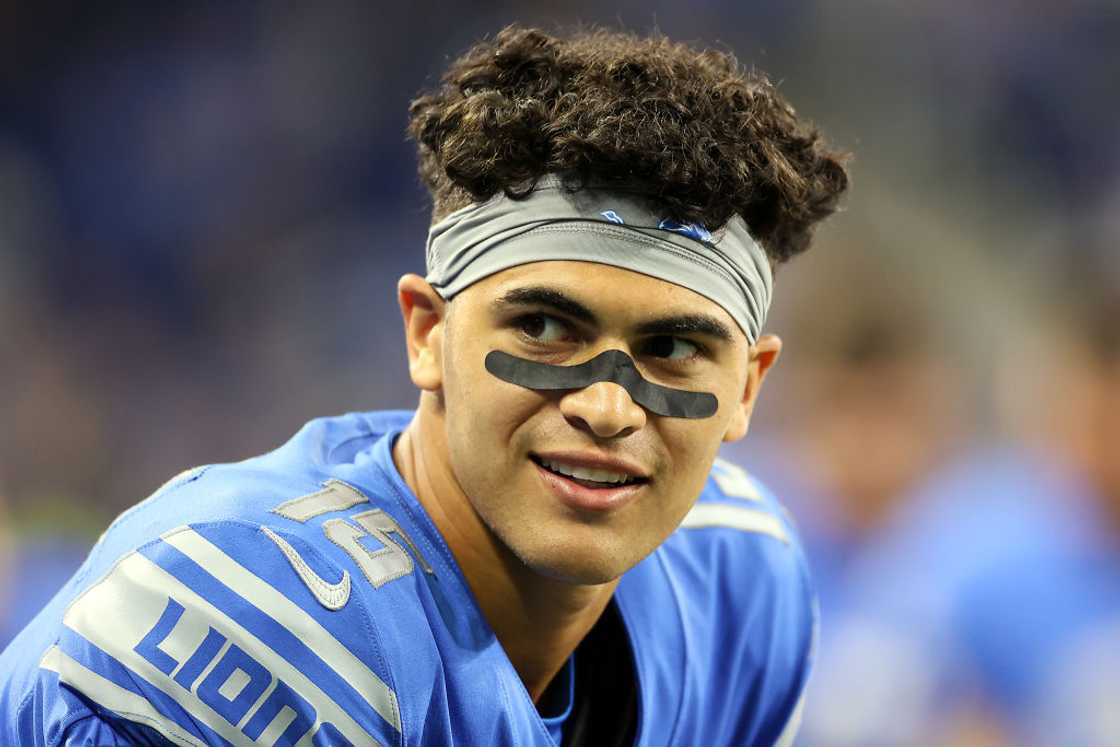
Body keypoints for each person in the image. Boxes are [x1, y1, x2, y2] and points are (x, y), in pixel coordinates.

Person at [0, 25, 848, 746]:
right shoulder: (261, 612)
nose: (605, 406)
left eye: (672, 347)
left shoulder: (737, 580)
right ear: (428, 333)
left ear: (748, 386)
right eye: (545, 328)